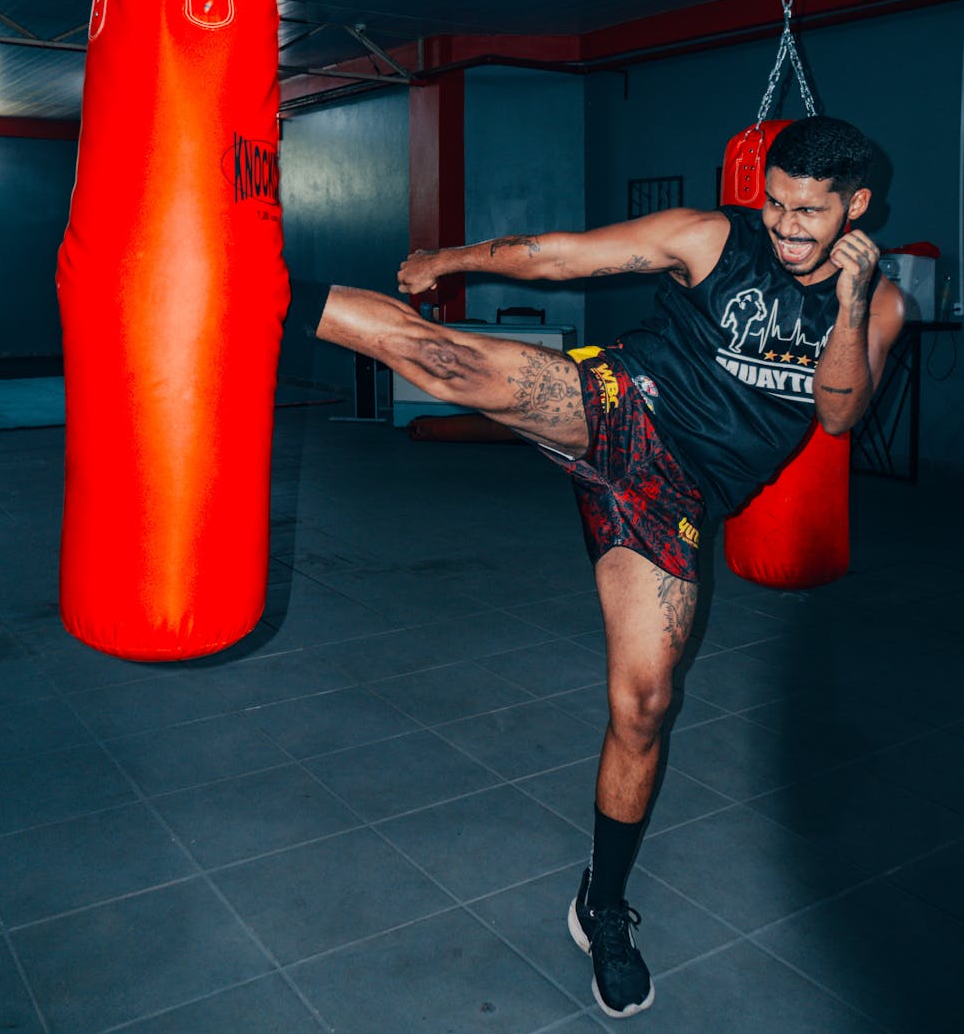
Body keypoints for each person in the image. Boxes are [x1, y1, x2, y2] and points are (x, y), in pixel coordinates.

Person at [301, 115, 903, 1019]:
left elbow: (837, 417)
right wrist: (447, 259)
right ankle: (248, 288)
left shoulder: (881, 306)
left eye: (807, 213)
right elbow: (559, 256)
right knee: (446, 360)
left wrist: (851, 307)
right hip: (620, 403)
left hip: (671, 499)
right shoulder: (710, 238)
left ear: (854, 208)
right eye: (773, 203)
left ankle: (602, 904)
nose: (782, 226)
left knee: (646, 702)